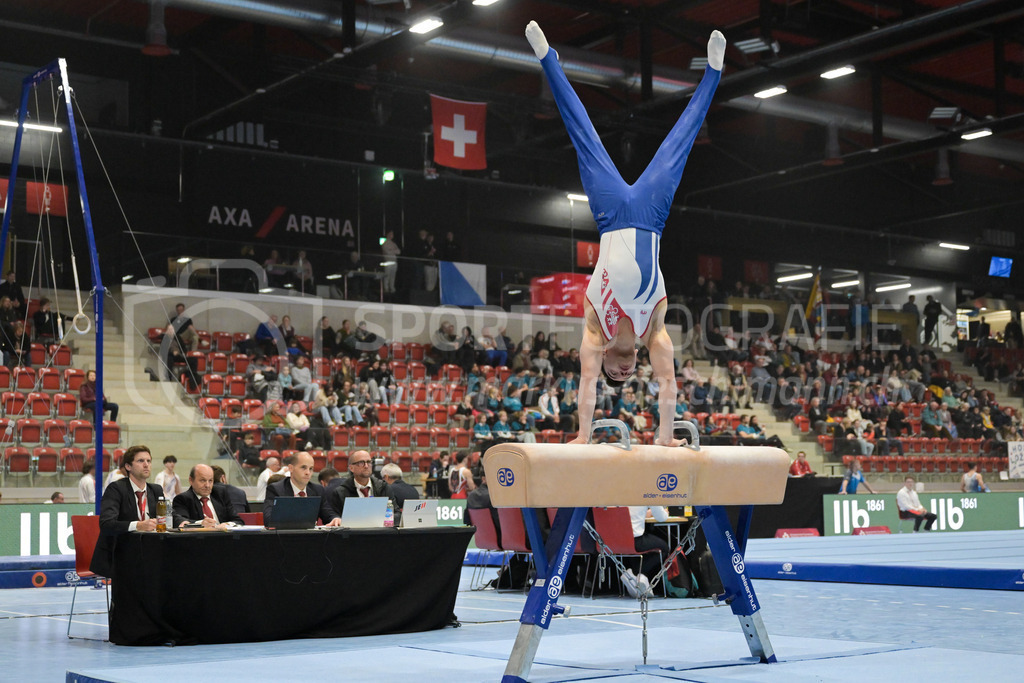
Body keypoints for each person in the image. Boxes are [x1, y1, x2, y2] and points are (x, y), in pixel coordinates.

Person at [525, 21, 726, 447]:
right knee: (679, 145)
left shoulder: (595, 330)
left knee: (584, 137)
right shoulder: (655, 332)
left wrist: (583, 435)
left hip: (610, 214)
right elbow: (669, 382)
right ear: (636, 366)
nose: (621, 373)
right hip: (652, 217)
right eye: (626, 375)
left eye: (614, 375)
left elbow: (586, 383)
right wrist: (666, 437)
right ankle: (713, 73)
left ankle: (548, 61)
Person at [91, 445, 162, 577]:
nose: (146, 465)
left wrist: (194, 522)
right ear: (128, 467)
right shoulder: (116, 489)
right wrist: (138, 525)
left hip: (151, 551)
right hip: (123, 553)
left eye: (149, 461)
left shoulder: (156, 490)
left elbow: (170, 516)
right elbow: (107, 523)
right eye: (141, 461)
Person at [263, 452, 340, 526]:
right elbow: (269, 520)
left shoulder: (318, 490)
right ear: (291, 468)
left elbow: (328, 513)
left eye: (311, 469)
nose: (308, 472)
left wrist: (335, 518)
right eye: (303, 467)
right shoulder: (276, 489)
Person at [171, 464, 243, 528]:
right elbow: (181, 522)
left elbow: (238, 521)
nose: (207, 485)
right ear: (191, 480)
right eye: (203, 480)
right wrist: (201, 524)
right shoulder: (183, 499)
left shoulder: (220, 494)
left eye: (210, 481)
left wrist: (227, 525)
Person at [327, 450, 393, 518]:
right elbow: (336, 517)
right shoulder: (340, 493)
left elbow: (396, 513)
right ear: (351, 468)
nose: (366, 466)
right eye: (361, 463)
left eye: (369, 462)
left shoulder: (383, 487)